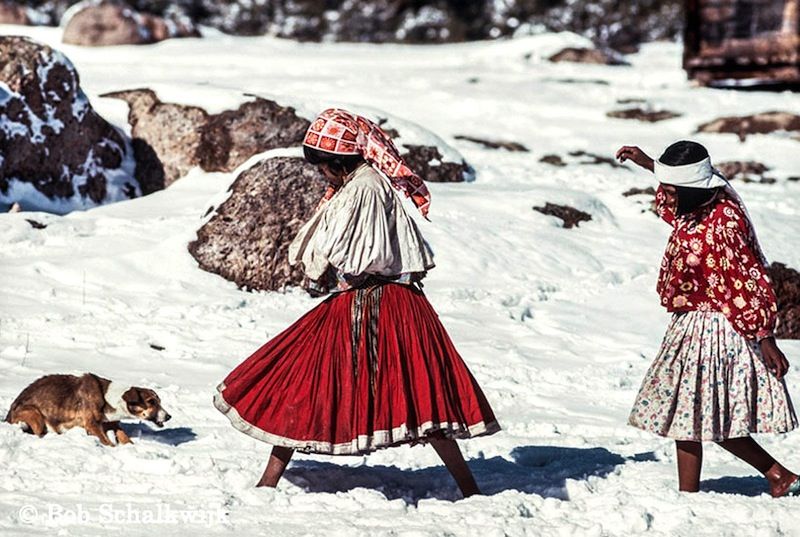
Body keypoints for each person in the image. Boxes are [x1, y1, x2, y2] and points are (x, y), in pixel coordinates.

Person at [214, 108, 499, 498]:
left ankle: (468, 487)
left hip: (381, 302)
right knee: (310, 377)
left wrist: (334, 270)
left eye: (322, 165)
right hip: (375, 299)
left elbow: (361, 255)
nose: (320, 173)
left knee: (411, 393)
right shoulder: (357, 185)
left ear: (337, 161)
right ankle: (269, 479)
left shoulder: (365, 188)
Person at [616, 140, 799, 497]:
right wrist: (649, 164)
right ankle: (775, 475)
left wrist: (765, 337)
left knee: (697, 412)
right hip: (693, 321)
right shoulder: (700, 203)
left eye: (670, 188)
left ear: (688, 190)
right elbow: (673, 204)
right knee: (693, 412)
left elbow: (747, 279)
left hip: (717, 325)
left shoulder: (723, 224)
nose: (664, 195)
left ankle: (758, 478)